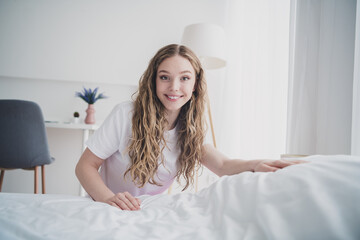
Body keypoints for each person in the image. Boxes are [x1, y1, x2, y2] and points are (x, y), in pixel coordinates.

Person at [75, 44, 304, 211]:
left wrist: (256, 164)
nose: (174, 87)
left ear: (195, 84)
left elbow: (223, 165)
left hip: (149, 211)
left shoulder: (191, 127)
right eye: (165, 77)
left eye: (184, 78)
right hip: (106, 207)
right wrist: (109, 200)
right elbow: (85, 166)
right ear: (153, 81)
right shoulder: (126, 114)